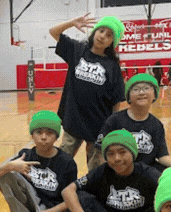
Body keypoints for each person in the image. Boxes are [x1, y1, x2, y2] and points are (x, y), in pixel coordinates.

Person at [60, 130, 160, 212]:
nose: (117, 158)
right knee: (82, 197)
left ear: (133, 152)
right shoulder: (101, 172)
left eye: (122, 152)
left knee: (167, 202)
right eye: (110, 154)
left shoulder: (148, 173)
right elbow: (68, 191)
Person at [49, 14, 126, 166]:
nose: (103, 36)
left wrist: (111, 127)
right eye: (101, 31)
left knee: (96, 169)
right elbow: (53, 32)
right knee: (61, 164)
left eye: (109, 35)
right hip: (73, 120)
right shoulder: (77, 50)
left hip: (99, 127)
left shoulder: (113, 66)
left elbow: (116, 101)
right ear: (95, 31)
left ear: (112, 42)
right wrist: (71, 22)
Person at [91, 74, 171, 172]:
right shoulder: (115, 120)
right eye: (136, 89)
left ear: (154, 95)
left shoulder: (156, 125)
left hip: (145, 173)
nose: (142, 92)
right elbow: (100, 151)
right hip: (120, 171)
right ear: (128, 97)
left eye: (146, 88)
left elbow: (162, 156)